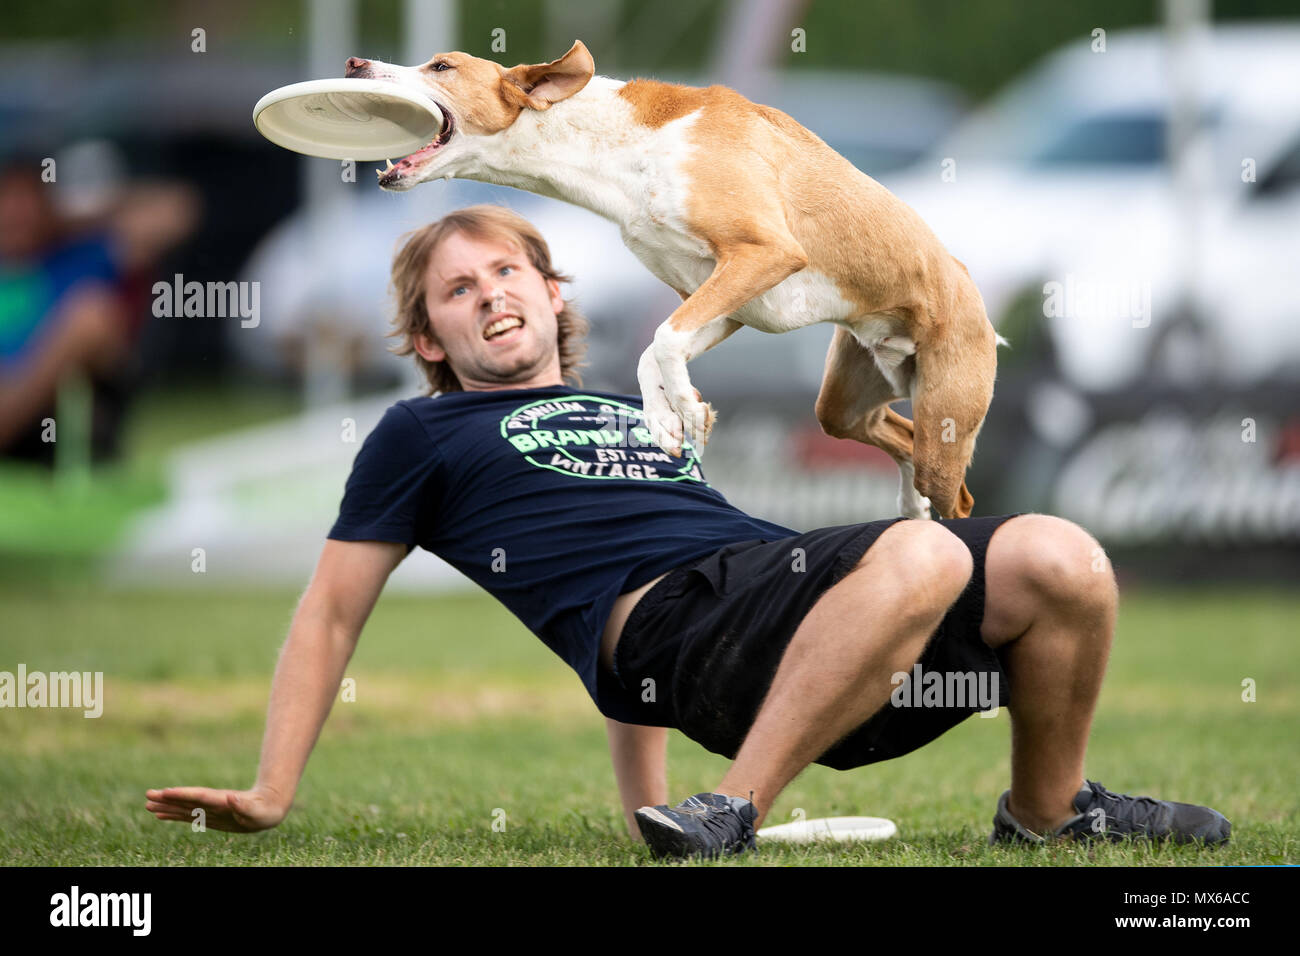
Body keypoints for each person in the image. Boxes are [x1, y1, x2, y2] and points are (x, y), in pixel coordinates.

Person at [145, 205, 1230, 859]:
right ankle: (736, 809)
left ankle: (1045, 815)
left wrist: (645, 812)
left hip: (799, 630)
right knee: (930, 548)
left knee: (1063, 556)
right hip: (679, 637)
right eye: (455, 290)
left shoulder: (632, 402)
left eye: (505, 272)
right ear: (427, 333)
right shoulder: (420, 433)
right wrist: (273, 788)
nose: (487, 296)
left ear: (549, 288)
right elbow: (334, 609)